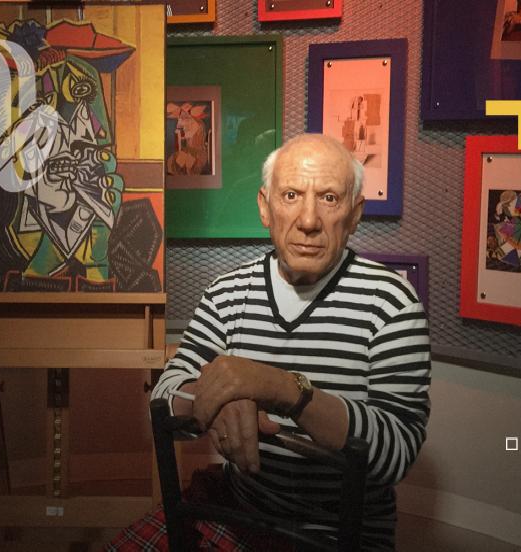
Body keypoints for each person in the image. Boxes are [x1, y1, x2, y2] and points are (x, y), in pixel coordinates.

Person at [107, 133, 431, 551]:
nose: (309, 220)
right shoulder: (227, 293)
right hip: (239, 512)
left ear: (354, 215)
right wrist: (215, 398)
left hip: (337, 535)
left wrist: (283, 389)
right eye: (291, 195)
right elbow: (166, 397)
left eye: (329, 198)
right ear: (265, 207)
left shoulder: (391, 303)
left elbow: (396, 455)